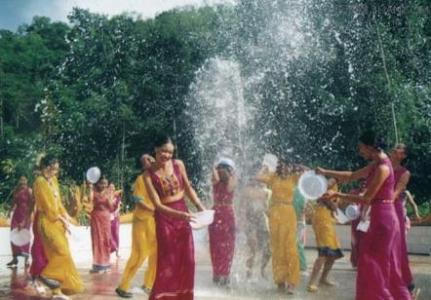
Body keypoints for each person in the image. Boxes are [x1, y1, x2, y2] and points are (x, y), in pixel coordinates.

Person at [317, 130, 411, 300]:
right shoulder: (376, 163)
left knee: (372, 264)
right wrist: (325, 172)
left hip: (384, 219)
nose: (360, 151)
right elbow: (352, 176)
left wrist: (337, 195)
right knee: (372, 264)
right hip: (378, 217)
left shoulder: (382, 167)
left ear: (370, 147)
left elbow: (366, 198)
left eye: (361, 147)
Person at [143, 136, 206, 300]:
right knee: (168, 262)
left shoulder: (178, 165)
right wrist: (181, 215)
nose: (167, 155)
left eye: (170, 152)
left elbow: (188, 188)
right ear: (156, 149)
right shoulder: (148, 175)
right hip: (165, 219)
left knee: (188, 260)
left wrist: (200, 206)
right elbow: (157, 205)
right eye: (163, 151)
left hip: (182, 213)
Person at [33, 155, 84, 299]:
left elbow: (59, 203)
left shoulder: (53, 180)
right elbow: (49, 207)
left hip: (57, 222)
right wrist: (61, 218)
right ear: (46, 167)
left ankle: (56, 291)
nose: (55, 171)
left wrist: (67, 217)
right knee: (63, 253)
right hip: (47, 222)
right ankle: (44, 276)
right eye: (53, 168)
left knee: (56, 255)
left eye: (56, 169)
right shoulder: (40, 182)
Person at [256, 156, 300, 295]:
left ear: (291, 167)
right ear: (279, 167)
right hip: (274, 214)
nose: (285, 168)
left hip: (289, 213)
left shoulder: (294, 178)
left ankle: (292, 283)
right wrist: (266, 166)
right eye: (282, 165)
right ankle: (280, 281)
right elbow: (258, 177)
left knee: (290, 248)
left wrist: (300, 167)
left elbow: (309, 177)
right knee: (277, 248)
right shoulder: (273, 177)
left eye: (288, 165)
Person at [116, 154, 157, 298]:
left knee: (155, 254)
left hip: (154, 221)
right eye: (146, 160)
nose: (150, 162)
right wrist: (156, 209)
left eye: (151, 159)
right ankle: (123, 286)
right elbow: (138, 200)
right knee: (139, 254)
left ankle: (149, 284)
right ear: (143, 165)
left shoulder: (157, 179)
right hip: (142, 220)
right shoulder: (141, 179)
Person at [390, 143, 420, 295]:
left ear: (403, 155)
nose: (394, 149)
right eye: (394, 147)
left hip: (394, 212)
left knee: (398, 248)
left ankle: (407, 284)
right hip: (380, 211)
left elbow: (394, 194)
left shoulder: (404, 173)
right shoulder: (382, 167)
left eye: (398, 149)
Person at [307, 179, 343, 292]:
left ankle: (323, 279)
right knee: (324, 252)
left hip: (327, 220)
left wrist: (335, 205)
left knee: (333, 253)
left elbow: (334, 205)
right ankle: (311, 282)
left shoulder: (337, 187)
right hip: (322, 219)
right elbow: (329, 202)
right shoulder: (331, 182)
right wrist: (333, 205)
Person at [208, 159, 237, 286]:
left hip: (227, 213)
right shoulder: (216, 180)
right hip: (217, 213)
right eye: (220, 168)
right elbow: (214, 175)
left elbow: (230, 187)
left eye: (225, 168)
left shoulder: (232, 180)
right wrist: (215, 167)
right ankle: (217, 273)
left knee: (228, 246)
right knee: (215, 245)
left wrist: (229, 173)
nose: (222, 170)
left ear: (230, 170)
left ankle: (225, 274)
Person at [239, 179, 271, 279]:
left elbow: (268, 206)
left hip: (262, 220)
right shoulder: (248, 190)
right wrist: (243, 221)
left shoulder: (267, 191)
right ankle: (249, 272)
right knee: (253, 248)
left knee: (268, 250)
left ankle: (263, 269)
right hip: (250, 220)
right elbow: (242, 207)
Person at [89, 175, 115, 273]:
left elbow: (111, 207)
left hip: (105, 217)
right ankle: (97, 264)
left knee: (105, 239)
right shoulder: (94, 192)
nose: (103, 185)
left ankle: (106, 263)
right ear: (98, 183)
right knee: (97, 239)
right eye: (101, 183)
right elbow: (89, 200)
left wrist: (110, 196)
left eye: (105, 183)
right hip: (96, 217)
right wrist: (89, 188)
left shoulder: (109, 192)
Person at [7, 176, 33, 268]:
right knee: (13, 235)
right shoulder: (16, 190)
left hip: (26, 215)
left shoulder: (29, 191)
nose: (22, 181)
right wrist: (9, 211)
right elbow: (13, 202)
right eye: (21, 180)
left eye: (24, 180)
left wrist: (27, 217)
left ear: (26, 181)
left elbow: (32, 204)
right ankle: (15, 258)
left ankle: (26, 260)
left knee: (24, 235)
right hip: (16, 215)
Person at [109, 183, 122, 257]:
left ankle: (117, 251)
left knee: (116, 234)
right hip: (108, 217)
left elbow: (119, 207)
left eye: (112, 187)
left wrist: (115, 213)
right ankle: (110, 249)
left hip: (116, 217)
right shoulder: (107, 197)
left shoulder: (117, 196)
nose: (111, 188)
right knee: (109, 234)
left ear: (114, 188)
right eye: (110, 187)